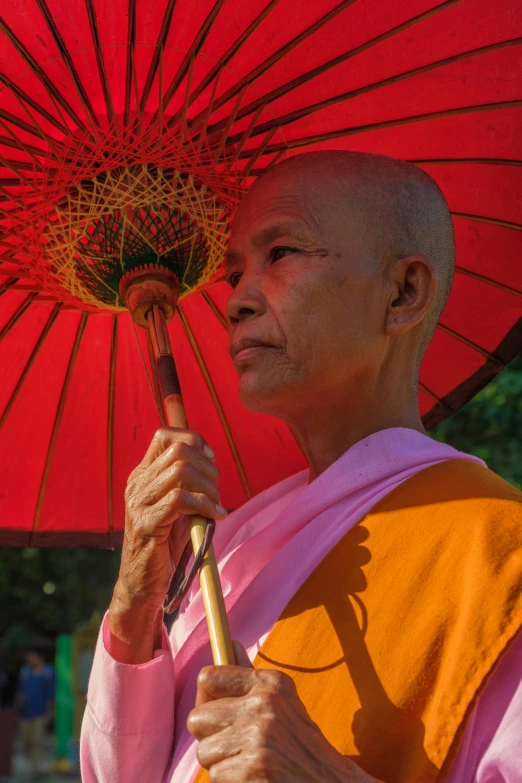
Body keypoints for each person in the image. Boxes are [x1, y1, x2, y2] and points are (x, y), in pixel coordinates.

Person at [80, 151, 522, 782]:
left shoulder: (497, 553)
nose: (237, 303)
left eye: (281, 253)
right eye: (235, 275)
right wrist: (135, 603)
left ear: (403, 293)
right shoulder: (236, 547)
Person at [15, 648, 54, 779]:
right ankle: (31, 767)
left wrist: (49, 713)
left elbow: (50, 695)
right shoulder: (25, 672)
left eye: (31, 656)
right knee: (26, 742)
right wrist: (17, 708)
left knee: (37, 742)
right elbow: (20, 691)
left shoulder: (48, 672)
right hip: (25, 712)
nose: (29, 659)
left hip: (40, 713)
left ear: (39, 657)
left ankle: (34, 770)